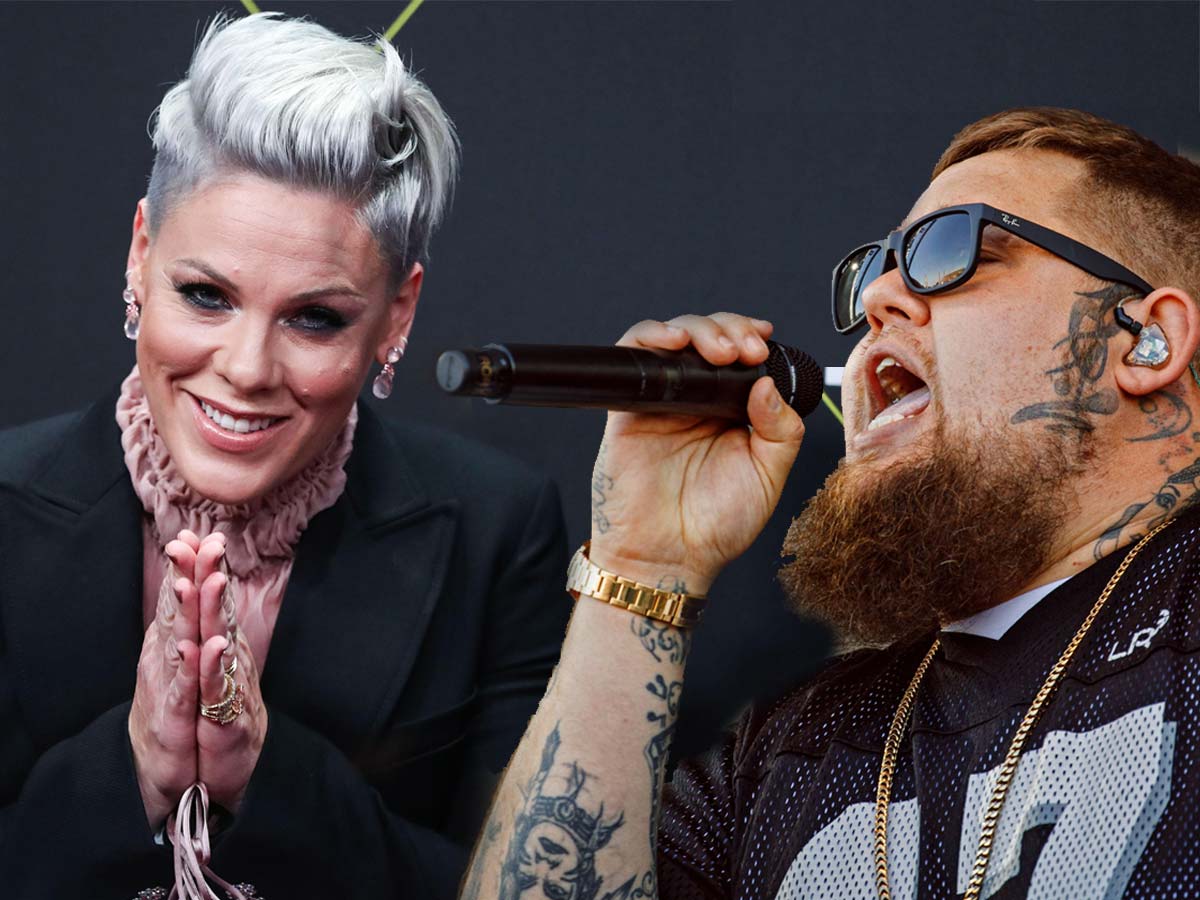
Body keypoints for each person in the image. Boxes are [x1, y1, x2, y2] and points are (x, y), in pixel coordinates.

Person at [461, 107, 1200, 900]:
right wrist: (642, 565)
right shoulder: (786, 752)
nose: (879, 296)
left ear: (1145, 338)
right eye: (875, 267)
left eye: (952, 250)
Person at [0, 13, 570, 900]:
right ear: (141, 254)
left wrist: (266, 772)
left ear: (397, 315)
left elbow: (522, 887)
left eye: (315, 318)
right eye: (205, 295)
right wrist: (133, 768)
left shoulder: (498, 531)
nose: (246, 369)